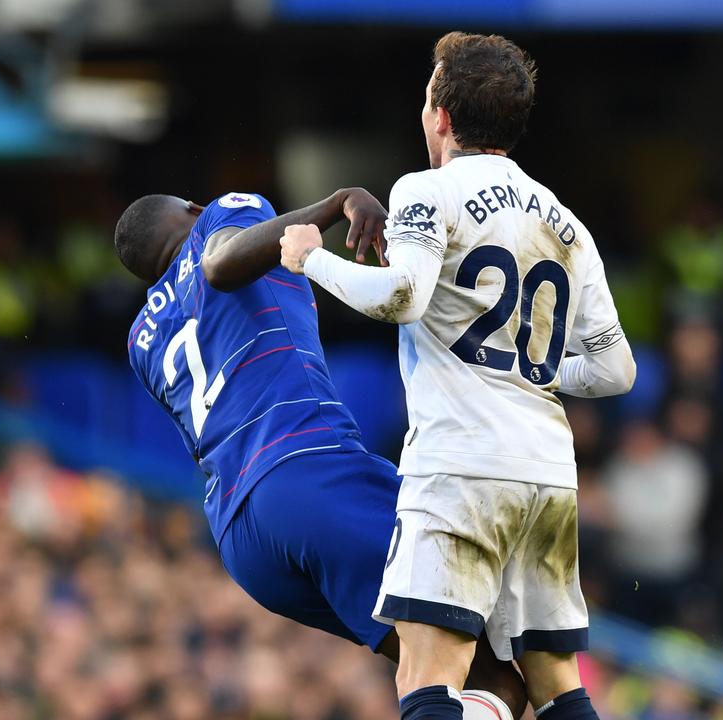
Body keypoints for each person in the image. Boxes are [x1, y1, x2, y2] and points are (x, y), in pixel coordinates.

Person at [279, 32, 636, 720]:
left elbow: (401, 298)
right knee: (557, 683)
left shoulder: (426, 187)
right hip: (548, 473)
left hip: (462, 467)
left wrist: (308, 260)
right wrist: (521, 361)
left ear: (440, 114)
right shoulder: (567, 224)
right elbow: (616, 368)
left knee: (427, 676)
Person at [113, 187, 525, 719]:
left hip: (243, 540)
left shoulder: (140, 338)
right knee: (500, 641)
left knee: (469, 677)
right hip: (306, 470)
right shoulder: (223, 214)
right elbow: (217, 264)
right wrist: (338, 203)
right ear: (193, 211)